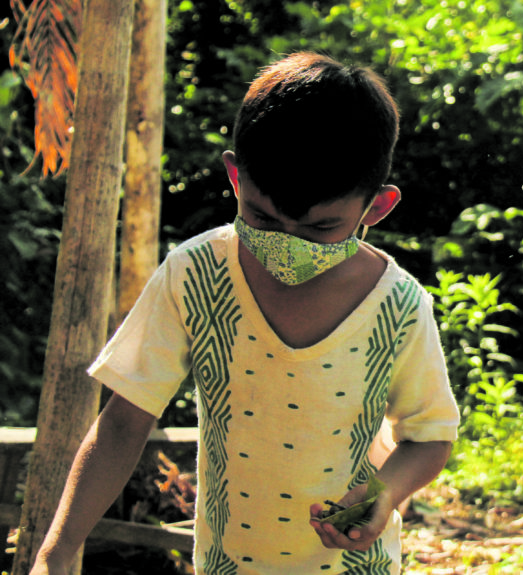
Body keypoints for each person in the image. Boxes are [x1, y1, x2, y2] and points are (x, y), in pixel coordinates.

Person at [29, 52, 460, 575]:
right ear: (235, 175)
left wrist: (379, 496)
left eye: (321, 229)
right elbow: (123, 423)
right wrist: (57, 551)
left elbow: (429, 434)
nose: (285, 245)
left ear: (377, 207)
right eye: (262, 217)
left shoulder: (397, 306)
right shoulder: (197, 275)